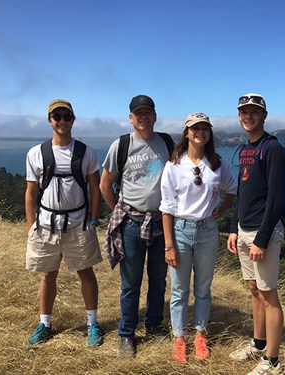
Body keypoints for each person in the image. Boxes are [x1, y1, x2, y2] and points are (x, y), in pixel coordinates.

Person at [25, 99, 103, 346]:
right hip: (46, 224)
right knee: (48, 275)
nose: (61, 121)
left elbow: (96, 188)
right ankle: (44, 323)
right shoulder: (36, 153)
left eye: (66, 117)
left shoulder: (86, 152)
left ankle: (92, 323)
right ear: (49, 120)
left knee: (85, 272)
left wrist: (93, 220)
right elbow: (30, 192)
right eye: (56, 116)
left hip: (78, 222)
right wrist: (31, 226)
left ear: (73, 120)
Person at [160, 112, 237, 363]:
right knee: (179, 289)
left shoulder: (217, 163)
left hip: (207, 231)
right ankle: (179, 338)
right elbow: (167, 208)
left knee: (203, 288)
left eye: (205, 129)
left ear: (209, 133)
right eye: (195, 129)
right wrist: (169, 244)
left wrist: (223, 210)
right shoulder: (173, 165)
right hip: (180, 231)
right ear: (186, 133)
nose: (200, 133)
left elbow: (232, 188)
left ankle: (199, 334)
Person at [100, 95, 173, 358]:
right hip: (131, 224)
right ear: (131, 118)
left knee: (158, 280)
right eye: (138, 114)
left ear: (155, 116)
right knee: (130, 283)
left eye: (148, 113)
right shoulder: (121, 145)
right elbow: (105, 185)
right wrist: (120, 211)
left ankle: (153, 326)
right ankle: (126, 334)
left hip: (160, 222)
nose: (143, 118)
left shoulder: (166, 143)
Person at [227, 94, 285, 375]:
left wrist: (262, 239)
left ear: (264, 116)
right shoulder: (244, 149)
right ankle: (259, 343)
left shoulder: (272, 148)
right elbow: (242, 193)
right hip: (243, 230)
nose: (248, 116)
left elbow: (275, 197)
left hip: (263, 233)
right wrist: (232, 228)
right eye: (244, 112)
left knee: (269, 294)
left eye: (254, 112)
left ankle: (272, 361)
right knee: (254, 289)